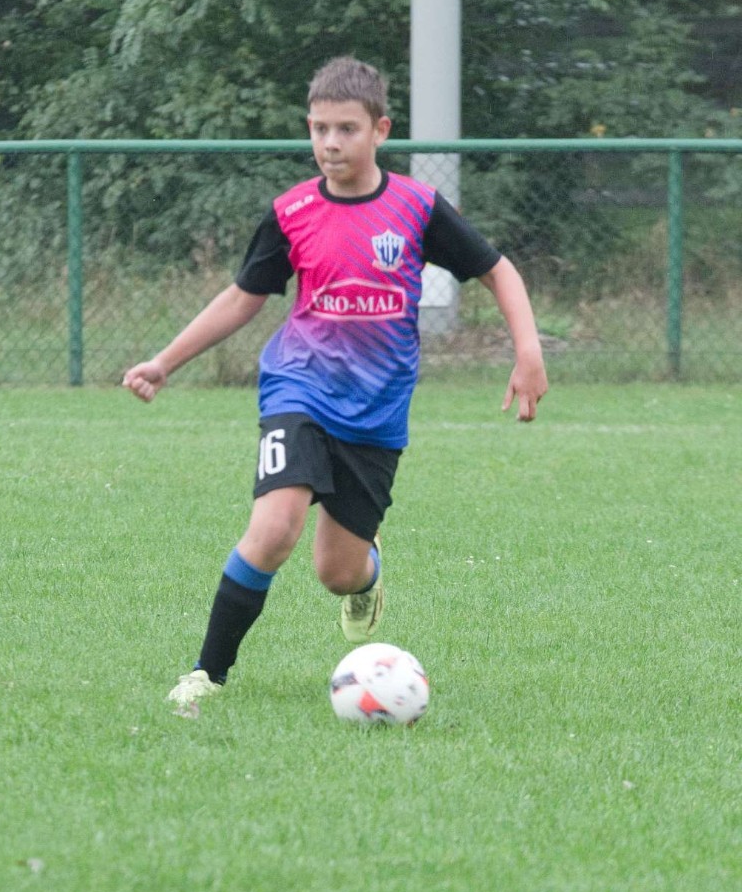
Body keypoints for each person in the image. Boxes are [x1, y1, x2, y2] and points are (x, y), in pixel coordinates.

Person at [122, 56, 548, 716]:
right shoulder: (291, 212)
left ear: (380, 129)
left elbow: (499, 271)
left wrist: (528, 351)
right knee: (274, 528)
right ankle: (206, 674)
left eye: (346, 128)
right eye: (319, 128)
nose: (330, 143)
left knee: (337, 572)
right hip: (298, 388)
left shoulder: (416, 208)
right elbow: (242, 297)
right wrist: (164, 362)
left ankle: (367, 575)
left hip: (376, 414)